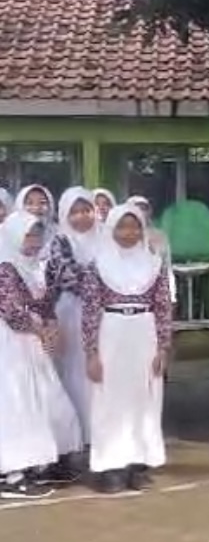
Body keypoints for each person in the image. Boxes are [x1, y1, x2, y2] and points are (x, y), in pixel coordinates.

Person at [81, 203, 172, 494]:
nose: (129, 232)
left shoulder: (154, 263)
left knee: (143, 398)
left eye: (134, 226)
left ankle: (138, 463)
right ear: (111, 228)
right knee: (110, 399)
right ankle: (111, 467)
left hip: (144, 334)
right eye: (122, 226)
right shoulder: (98, 264)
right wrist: (92, 352)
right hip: (112, 332)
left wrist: (164, 348)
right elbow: (90, 310)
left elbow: (162, 307)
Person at [0, 212, 84, 500]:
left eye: (36, 235)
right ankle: (11, 474)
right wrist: (41, 330)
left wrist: (50, 325)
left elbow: (46, 302)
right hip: (12, 347)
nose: (33, 242)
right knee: (18, 407)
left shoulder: (34, 266)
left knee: (45, 400)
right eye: (27, 235)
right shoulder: (5, 266)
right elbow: (11, 312)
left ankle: (39, 463)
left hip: (33, 344)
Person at [46, 187, 101, 457]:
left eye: (87, 210)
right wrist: (101, 284)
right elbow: (68, 276)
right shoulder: (60, 241)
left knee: (100, 373)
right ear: (65, 214)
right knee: (75, 373)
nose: (82, 217)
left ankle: (101, 434)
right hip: (71, 311)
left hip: (105, 314)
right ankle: (78, 437)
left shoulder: (106, 237)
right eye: (75, 212)